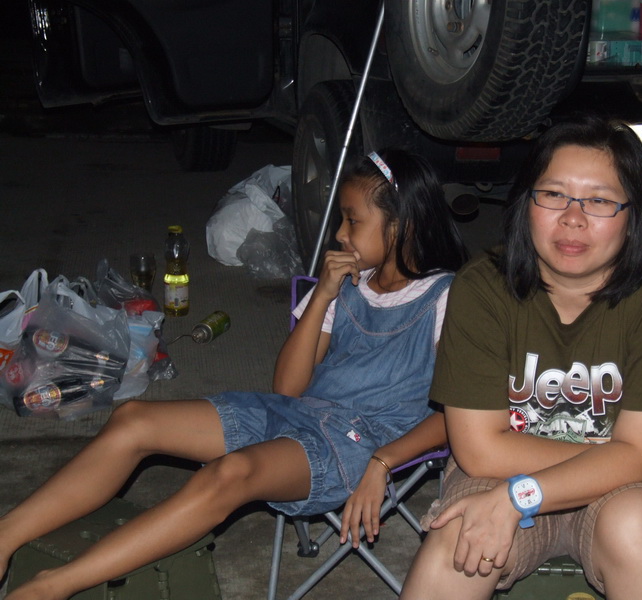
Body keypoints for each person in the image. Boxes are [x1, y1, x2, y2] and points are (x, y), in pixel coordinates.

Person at [0, 147, 469, 600]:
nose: (340, 235)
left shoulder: (447, 297)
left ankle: (54, 586)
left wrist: (383, 461)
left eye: (353, 220)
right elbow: (287, 387)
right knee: (133, 418)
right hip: (297, 412)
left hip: (358, 443)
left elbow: (460, 414)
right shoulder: (345, 282)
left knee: (231, 473)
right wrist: (323, 295)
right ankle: (3, 540)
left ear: (401, 225)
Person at [400, 115, 642, 600]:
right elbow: (480, 451)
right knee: (458, 537)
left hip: (630, 491)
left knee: (638, 530)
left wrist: (524, 494)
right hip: (500, 475)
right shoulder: (483, 288)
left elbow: (640, 459)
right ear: (526, 202)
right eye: (553, 194)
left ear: (634, 214)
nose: (572, 218)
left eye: (600, 200)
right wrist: (624, 453)